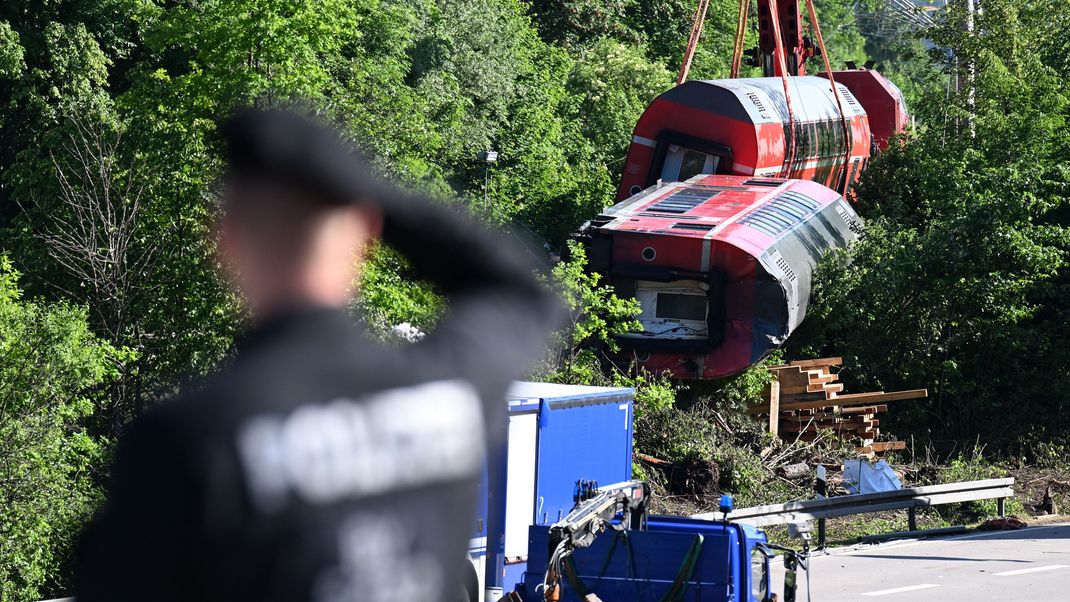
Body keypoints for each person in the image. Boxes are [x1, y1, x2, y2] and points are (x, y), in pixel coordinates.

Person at [76, 108, 563, 602]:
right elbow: (521, 291)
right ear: (364, 234)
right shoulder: (451, 388)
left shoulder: (190, 441)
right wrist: (374, 198)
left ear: (225, 242)